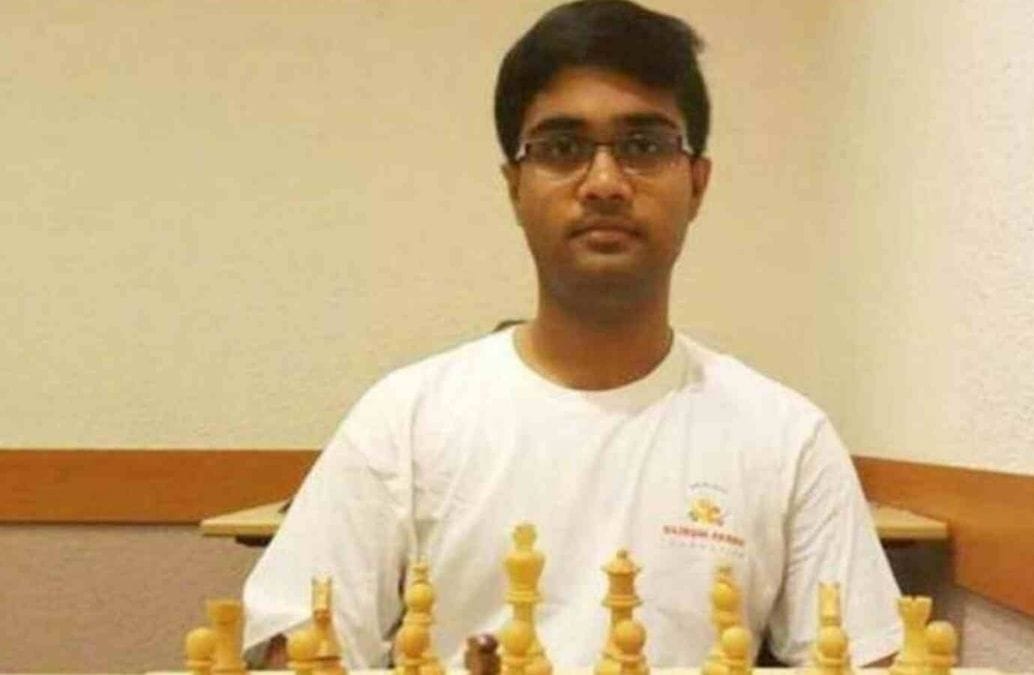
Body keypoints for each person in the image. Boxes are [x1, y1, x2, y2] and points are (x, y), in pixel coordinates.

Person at [242, 0, 902, 668]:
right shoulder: (404, 421)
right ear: (515, 188)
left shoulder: (788, 439)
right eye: (561, 148)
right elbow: (297, 648)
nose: (605, 184)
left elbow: (863, 656)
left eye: (644, 146)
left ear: (698, 184)